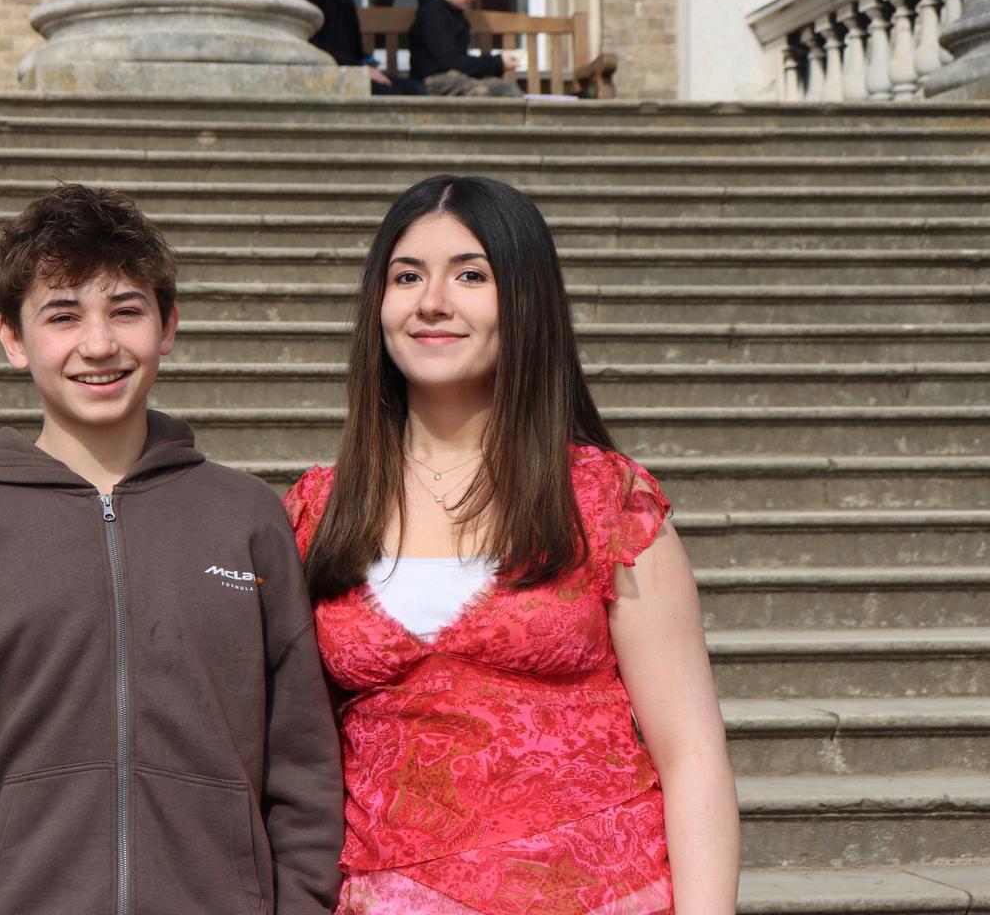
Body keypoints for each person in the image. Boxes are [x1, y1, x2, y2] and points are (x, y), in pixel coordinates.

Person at [0, 183, 345, 915]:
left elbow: (304, 765)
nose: (98, 344)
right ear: (13, 339)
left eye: (126, 310)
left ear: (168, 325)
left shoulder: (247, 519)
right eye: (63, 316)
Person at [283, 175, 740, 914]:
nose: (433, 301)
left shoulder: (605, 499)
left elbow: (690, 753)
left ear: (525, 300)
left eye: (471, 275)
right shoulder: (316, 510)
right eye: (407, 277)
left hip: (607, 892)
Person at [300, 0, 427, 95]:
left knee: (416, 89)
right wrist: (360, 68)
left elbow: (350, 45)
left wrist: (366, 61)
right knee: (393, 94)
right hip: (328, 74)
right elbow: (308, 43)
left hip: (353, 70)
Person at [410, 0, 521, 97]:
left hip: (458, 78)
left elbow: (459, 63)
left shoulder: (455, 14)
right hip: (434, 81)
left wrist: (498, 63)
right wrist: (497, 62)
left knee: (506, 89)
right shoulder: (432, 14)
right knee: (483, 92)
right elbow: (450, 61)